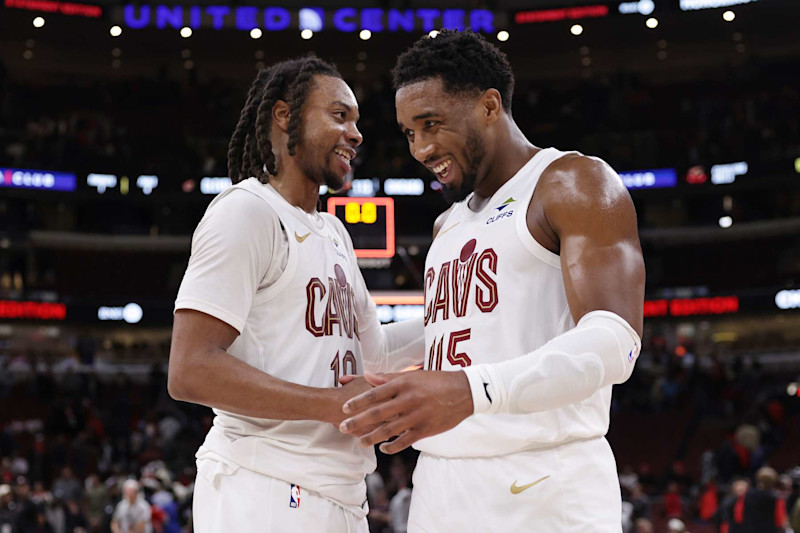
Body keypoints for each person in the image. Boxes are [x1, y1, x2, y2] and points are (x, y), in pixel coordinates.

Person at [339, 30, 645, 531]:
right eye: (409, 132)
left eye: (431, 124)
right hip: (439, 482)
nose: (420, 147)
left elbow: (616, 342)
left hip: (541, 479)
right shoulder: (448, 224)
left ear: (488, 105)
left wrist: (469, 389)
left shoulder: (571, 182)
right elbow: (457, 330)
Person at [168, 55, 423, 532]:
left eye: (356, 121)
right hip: (265, 484)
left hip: (338, 491)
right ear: (284, 116)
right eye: (339, 115)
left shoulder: (333, 233)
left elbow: (378, 352)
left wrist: (457, 314)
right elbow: (190, 369)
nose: (356, 133)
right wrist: (330, 405)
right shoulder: (246, 212)